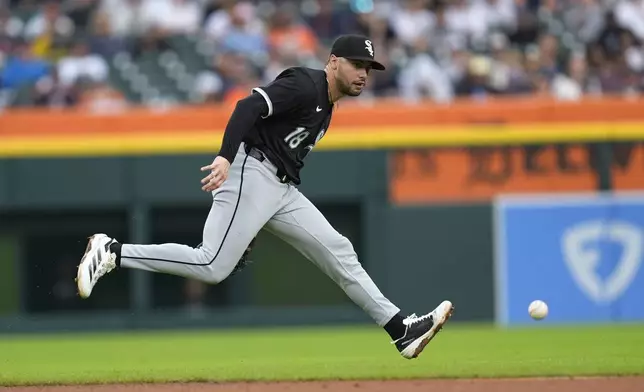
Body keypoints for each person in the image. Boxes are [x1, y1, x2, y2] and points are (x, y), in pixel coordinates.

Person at [75, 34, 454, 359]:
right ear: (334, 62)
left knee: (338, 249)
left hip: (281, 188)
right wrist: (225, 157)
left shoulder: (327, 106)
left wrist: (254, 219)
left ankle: (400, 329)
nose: (363, 74)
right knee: (211, 265)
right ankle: (112, 251)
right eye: (357, 64)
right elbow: (248, 105)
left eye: (368, 68)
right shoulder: (306, 84)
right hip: (250, 170)